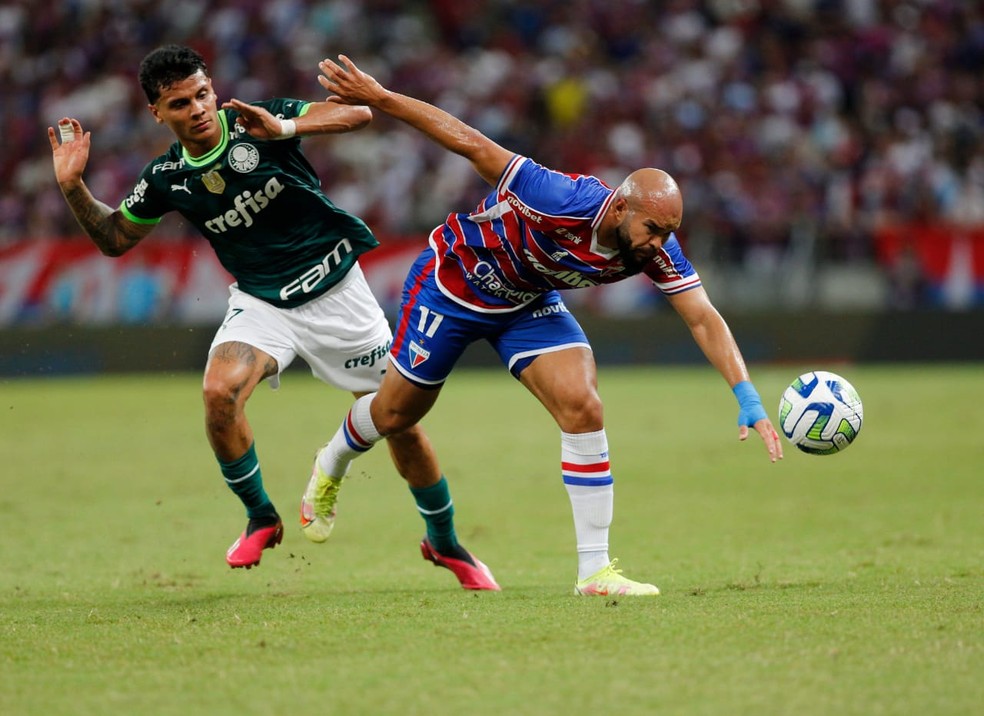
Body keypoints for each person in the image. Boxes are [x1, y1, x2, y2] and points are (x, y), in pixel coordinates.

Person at [307, 54, 785, 596]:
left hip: (527, 302)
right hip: (456, 282)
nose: (659, 242)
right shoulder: (556, 196)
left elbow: (702, 317)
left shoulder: (655, 249)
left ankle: (595, 572)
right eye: (653, 227)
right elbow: (468, 141)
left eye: (669, 231)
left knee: (583, 404)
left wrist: (746, 395)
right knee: (396, 413)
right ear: (622, 205)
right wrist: (382, 97)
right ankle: (332, 461)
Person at [47, 44, 499, 590]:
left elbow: (357, 113)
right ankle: (261, 517)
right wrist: (74, 188)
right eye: (180, 104)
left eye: (202, 95)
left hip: (337, 293)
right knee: (219, 394)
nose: (196, 109)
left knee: (398, 423)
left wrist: (284, 127)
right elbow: (116, 237)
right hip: (263, 304)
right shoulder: (165, 177)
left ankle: (445, 541)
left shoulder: (257, 121)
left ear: (212, 88)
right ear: (158, 114)